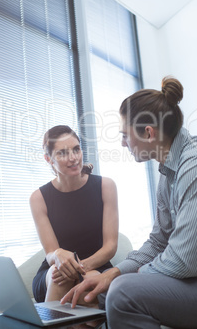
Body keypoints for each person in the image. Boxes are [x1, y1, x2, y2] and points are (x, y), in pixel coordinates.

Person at [61, 77, 197, 328]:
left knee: (124, 292)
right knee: (95, 292)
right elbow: (160, 241)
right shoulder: (169, 171)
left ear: (148, 132)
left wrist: (134, 275)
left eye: (125, 135)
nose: (122, 143)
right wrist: (111, 274)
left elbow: (184, 261)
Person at [30, 125, 118, 304]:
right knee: (58, 275)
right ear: (48, 159)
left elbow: (110, 247)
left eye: (76, 149)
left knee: (87, 281)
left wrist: (76, 268)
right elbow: (50, 253)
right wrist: (58, 256)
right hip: (53, 273)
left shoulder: (105, 186)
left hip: (96, 266)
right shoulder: (38, 198)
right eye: (62, 153)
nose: (73, 158)